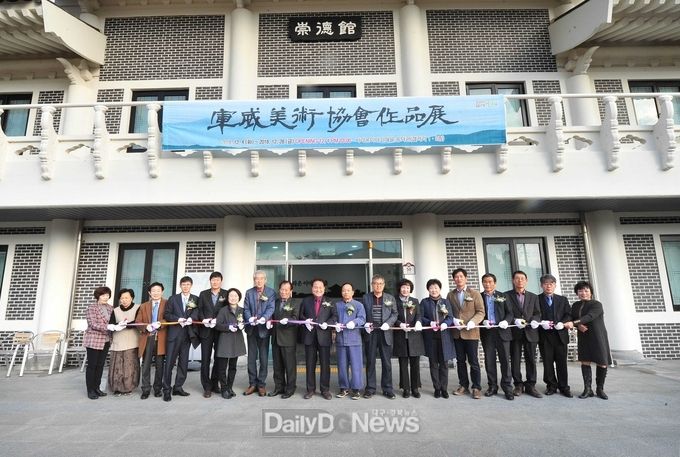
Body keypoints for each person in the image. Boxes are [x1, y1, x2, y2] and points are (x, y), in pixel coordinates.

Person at [565, 281, 612, 400]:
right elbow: (573, 317)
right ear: (577, 293)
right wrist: (577, 325)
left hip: (598, 336)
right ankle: (587, 389)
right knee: (585, 361)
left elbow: (590, 316)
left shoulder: (597, 304)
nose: (583, 293)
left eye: (586, 290)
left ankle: (600, 389)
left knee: (602, 362)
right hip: (584, 336)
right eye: (580, 291)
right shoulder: (575, 305)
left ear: (591, 292)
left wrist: (574, 323)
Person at [447, 268, 485, 399]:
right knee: (460, 361)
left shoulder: (474, 294)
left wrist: (473, 322)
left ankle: (476, 387)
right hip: (457, 333)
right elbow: (447, 312)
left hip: (471, 333)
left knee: (473, 361)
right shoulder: (450, 295)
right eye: (456, 277)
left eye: (461, 276)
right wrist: (453, 320)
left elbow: (481, 312)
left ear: (466, 278)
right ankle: (463, 385)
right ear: (454, 279)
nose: (459, 279)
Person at [505, 270, 543, 398]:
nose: (520, 280)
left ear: (526, 281)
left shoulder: (534, 296)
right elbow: (506, 312)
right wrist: (514, 320)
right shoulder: (506, 295)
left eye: (522, 278)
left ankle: (531, 385)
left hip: (531, 332)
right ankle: (518, 384)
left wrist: (534, 321)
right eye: (517, 278)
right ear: (513, 280)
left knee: (531, 359)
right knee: (515, 359)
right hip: (514, 332)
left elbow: (537, 313)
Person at [162, 276, 199, 401]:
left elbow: (197, 312)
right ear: (180, 285)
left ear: (191, 285)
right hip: (174, 335)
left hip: (187, 335)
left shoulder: (195, 299)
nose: (186, 286)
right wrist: (178, 319)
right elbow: (167, 314)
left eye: (188, 284)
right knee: (169, 363)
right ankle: (166, 390)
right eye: (183, 284)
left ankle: (178, 387)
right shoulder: (173, 299)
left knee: (183, 363)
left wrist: (191, 318)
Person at [361, 274, 398, 399]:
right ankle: (370, 388)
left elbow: (395, 314)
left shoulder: (390, 298)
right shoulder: (366, 297)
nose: (378, 286)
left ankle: (387, 389)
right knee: (370, 361)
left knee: (386, 362)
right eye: (376, 283)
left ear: (384, 285)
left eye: (380, 283)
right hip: (371, 332)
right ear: (372, 285)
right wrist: (365, 323)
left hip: (385, 332)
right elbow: (362, 313)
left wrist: (388, 324)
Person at [300, 278, 337, 400]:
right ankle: (310, 389)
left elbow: (335, 316)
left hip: (324, 336)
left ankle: (325, 390)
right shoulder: (306, 301)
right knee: (310, 364)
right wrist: (305, 321)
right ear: (312, 289)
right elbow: (301, 315)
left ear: (324, 289)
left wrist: (328, 323)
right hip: (309, 336)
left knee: (325, 365)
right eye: (315, 287)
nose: (318, 289)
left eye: (320, 287)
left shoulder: (330, 301)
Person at [479, 273, 514, 400]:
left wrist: (506, 321)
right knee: (489, 361)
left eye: (490, 281)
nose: (487, 284)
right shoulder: (479, 296)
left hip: (502, 331)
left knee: (505, 361)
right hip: (487, 332)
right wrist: (483, 321)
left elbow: (510, 313)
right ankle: (492, 386)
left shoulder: (503, 296)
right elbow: (477, 313)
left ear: (495, 283)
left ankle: (507, 388)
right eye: (485, 282)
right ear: (482, 283)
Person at [537, 274, 573, 398]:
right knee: (547, 363)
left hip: (560, 336)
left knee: (561, 362)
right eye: (546, 284)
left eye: (551, 284)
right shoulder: (536, 299)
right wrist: (541, 323)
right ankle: (551, 386)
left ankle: (564, 387)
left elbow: (569, 314)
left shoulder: (562, 299)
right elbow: (534, 315)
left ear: (555, 285)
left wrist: (562, 323)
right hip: (544, 336)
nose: (548, 286)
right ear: (541, 285)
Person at [420, 278, 455, 398]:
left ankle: (444, 388)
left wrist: (446, 323)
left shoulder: (445, 302)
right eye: (431, 288)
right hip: (431, 337)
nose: (434, 290)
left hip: (444, 336)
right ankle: (437, 388)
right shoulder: (424, 302)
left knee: (444, 364)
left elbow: (450, 317)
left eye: (436, 288)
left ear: (440, 289)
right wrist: (429, 322)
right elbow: (421, 317)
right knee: (433, 363)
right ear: (428, 290)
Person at [243, 269, 275, 396]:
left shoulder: (270, 292)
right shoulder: (249, 292)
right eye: (257, 278)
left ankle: (261, 384)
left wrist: (264, 318)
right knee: (251, 357)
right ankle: (252, 384)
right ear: (254, 280)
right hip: (251, 329)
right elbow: (246, 308)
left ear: (265, 280)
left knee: (263, 358)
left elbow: (271, 307)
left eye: (261, 278)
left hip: (263, 329)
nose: (259, 281)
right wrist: (249, 318)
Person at [197, 271, 228, 398]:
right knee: (205, 359)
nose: (215, 282)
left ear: (221, 281)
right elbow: (199, 310)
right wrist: (204, 319)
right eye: (213, 280)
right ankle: (207, 387)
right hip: (206, 331)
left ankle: (215, 384)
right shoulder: (203, 294)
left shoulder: (226, 294)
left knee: (218, 358)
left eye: (217, 280)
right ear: (210, 281)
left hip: (220, 331)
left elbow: (228, 311)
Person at [393, 278, 425, 398]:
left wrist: (418, 322)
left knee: (415, 364)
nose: (405, 290)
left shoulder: (415, 301)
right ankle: (405, 388)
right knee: (403, 364)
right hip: (400, 336)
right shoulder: (395, 301)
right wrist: (399, 324)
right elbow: (392, 316)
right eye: (403, 287)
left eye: (407, 287)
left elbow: (419, 315)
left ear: (410, 289)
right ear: (399, 288)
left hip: (414, 336)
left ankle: (415, 388)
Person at [269, 280, 300, 399]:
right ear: (279, 290)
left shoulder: (295, 303)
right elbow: (271, 316)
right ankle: (279, 387)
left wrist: (288, 321)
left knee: (289, 366)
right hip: (275, 338)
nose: (284, 292)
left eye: (286, 290)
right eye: (282, 289)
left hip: (288, 339)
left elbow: (296, 318)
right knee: (277, 366)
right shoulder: (275, 302)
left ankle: (290, 388)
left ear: (291, 291)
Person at [214, 288, 247, 399]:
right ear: (228, 298)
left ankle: (229, 387)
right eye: (231, 296)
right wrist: (228, 327)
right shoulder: (223, 310)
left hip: (236, 340)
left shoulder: (242, 310)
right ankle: (224, 388)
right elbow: (218, 325)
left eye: (235, 296)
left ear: (239, 298)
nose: (233, 298)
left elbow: (245, 322)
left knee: (233, 367)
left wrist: (243, 326)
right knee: (222, 367)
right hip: (225, 340)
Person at [335, 282, 366, 400]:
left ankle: (356, 389)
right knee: (342, 365)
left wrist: (354, 322)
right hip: (341, 339)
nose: (346, 292)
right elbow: (333, 317)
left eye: (348, 290)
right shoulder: (337, 305)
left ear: (353, 292)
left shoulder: (358, 305)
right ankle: (343, 387)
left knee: (356, 365)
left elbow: (362, 318)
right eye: (343, 290)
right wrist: (335, 324)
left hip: (355, 340)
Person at [107, 288, 140, 396]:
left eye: (127, 298)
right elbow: (111, 324)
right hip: (118, 340)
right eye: (122, 298)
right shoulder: (115, 310)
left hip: (132, 341)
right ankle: (116, 388)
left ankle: (128, 387)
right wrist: (117, 325)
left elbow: (138, 322)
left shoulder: (138, 307)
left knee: (129, 366)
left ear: (132, 298)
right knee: (117, 365)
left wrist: (126, 324)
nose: (124, 300)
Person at [137, 282, 168, 400]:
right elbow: (138, 321)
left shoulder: (167, 303)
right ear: (149, 293)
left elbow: (170, 317)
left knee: (160, 365)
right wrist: (145, 327)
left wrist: (161, 323)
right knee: (146, 364)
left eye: (158, 290)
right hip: (148, 337)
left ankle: (157, 389)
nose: (156, 293)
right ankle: (145, 389)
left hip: (161, 338)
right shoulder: (143, 306)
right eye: (153, 291)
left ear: (162, 292)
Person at [84, 286, 114, 399]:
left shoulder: (111, 308)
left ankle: (97, 388)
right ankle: (90, 390)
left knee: (100, 365)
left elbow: (113, 321)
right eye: (103, 295)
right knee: (92, 365)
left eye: (107, 295)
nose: (105, 297)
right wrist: (108, 326)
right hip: (94, 340)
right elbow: (93, 324)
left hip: (106, 340)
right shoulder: (92, 308)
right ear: (98, 296)